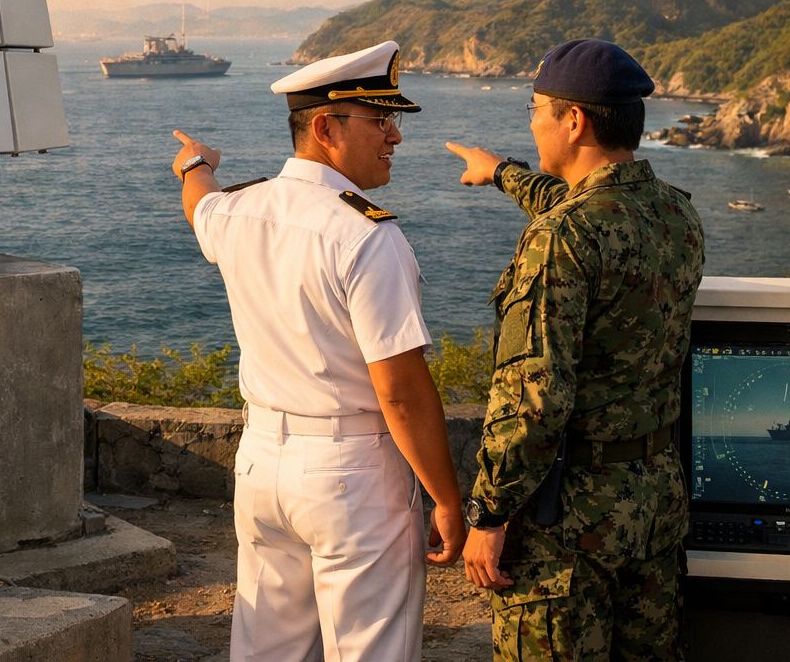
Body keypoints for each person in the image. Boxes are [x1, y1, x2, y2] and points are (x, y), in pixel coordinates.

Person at [171, 40, 466, 662]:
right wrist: (444, 496)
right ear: (326, 126)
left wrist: (194, 162)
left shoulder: (242, 211)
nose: (395, 136)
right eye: (380, 120)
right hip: (351, 473)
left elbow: (200, 205)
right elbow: (401, 390)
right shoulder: (366, 235)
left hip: (260, 466)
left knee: (266, 650)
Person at [445, 38, 705, 662]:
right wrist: (502, 170)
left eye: (536, 109)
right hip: (653, 506)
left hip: (570, 526)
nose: (532, 123)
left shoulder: (563, 237)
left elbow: (532, 399)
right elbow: (584, 207)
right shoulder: (674, 214)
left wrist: (489, 514)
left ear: (574, 120)